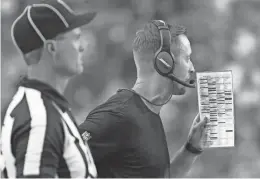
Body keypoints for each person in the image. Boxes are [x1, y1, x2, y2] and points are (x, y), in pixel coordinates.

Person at [79, 20, 208, 178]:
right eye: (187, 58)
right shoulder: (118, 114)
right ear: (164, 61)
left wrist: (191, 150)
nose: (192, 68)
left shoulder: (147, 113)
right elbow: (64, 154)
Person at [1, 0, 97, 178]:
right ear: (52, 48)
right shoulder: (39, 118)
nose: (82, 46)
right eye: (76, 38)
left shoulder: (45, 107)